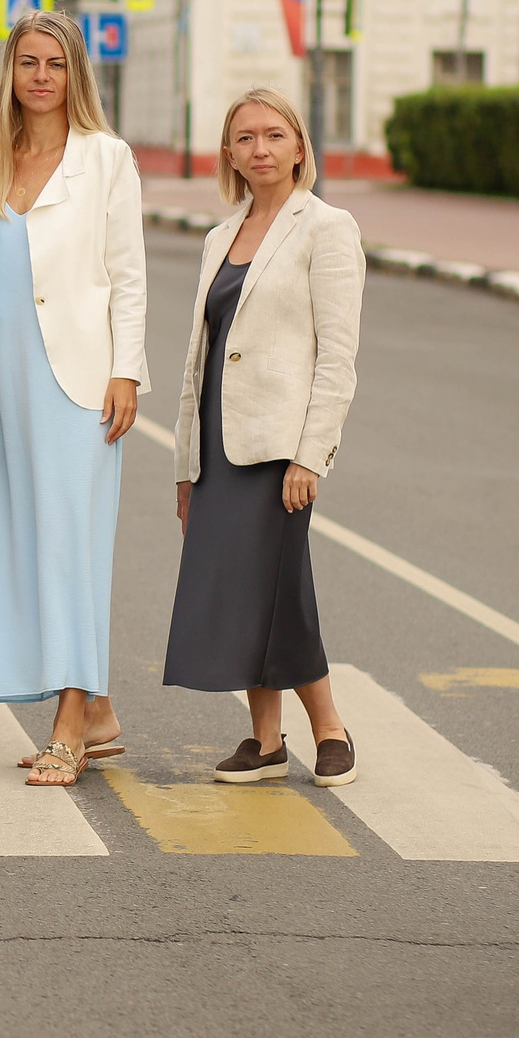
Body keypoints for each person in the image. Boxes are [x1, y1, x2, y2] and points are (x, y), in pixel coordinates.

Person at [0, 12, 146, 786]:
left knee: (70, 544)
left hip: (80, 382)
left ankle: (68, 724)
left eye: (55, 64)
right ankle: (94, 707)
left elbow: (128, 275)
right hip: (4, 380)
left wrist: (126, 369)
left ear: (75, 75)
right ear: (10, 72)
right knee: (23, 542)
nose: (40, 76)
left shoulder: (106, 159)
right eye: (27, 62)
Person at [165, 87, 365, 786]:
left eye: (274, 135)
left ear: (299, 146)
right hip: (221, 444)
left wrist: (312, 453)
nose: (260, 148)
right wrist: (186, 467)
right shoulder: (222, 236)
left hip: (281, 446)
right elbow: (200, 357)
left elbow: (337, 354)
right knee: (245, 591)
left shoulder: (327, 226)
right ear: (230, 154)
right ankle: (265, 740)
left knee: (281, 585)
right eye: (245, 137)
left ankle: (330, 728)